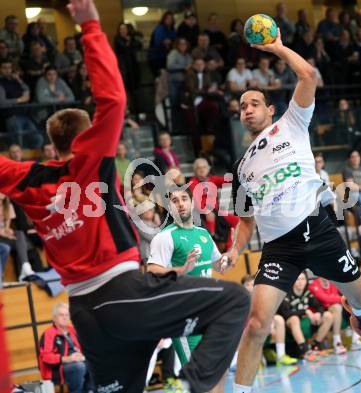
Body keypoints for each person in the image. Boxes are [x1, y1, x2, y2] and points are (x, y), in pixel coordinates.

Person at [0, 2, 249, 392]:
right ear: (85, 141)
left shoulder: (26, 179)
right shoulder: (89, 162)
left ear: (52, 144)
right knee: (234, 301)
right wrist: (91, 28)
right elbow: (113, 100)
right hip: (122, 290)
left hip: (84, 311)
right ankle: (194, 385)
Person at [224, 28, 361, 393]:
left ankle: (358, 312)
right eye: (242, 106)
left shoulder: (292, 123)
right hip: (280, 249)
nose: (246, 110)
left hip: (318, 232)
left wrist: (276, 48)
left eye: (253, 103)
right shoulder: (241, 168)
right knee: (258, 323)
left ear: (270, 109)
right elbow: (245, 222)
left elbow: (307, 75)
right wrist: (234, 250)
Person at [147, 188, 227, 393]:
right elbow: (152, 270)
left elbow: (219, 264)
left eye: (184, 199)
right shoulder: (165, 237)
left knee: (216, 373)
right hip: (185, 317)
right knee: (197, 378)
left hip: (209, 314)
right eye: (174, 201)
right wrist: (181, 270)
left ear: (192, 203)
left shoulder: (203, 234)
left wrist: (234, 251)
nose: (180, 203)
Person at [242, 275, 297, 366]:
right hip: (247, 330)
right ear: (243, 287)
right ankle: (255, 358)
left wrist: (270, 324)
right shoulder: (242, 300)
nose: (250, 287)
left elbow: (268, 313)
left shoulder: (261, 298)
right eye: (247, 284)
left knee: (278, 319)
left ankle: (281, 356)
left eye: (252, 284)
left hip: (263, 327)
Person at [278, 272, 334, 359]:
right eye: (298, 279)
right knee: (294, 318)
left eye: (303, 279)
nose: (300, 282)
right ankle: (304, 350)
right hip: (289, 328)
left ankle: (315, 346)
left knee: (328, 315)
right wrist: (305, 312)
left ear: (306, 280)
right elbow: (285, 313)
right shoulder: (287, 294)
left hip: (307, 324)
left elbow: (320, 306)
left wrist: (318, 313)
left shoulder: (307, 293)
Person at [39, 303, 93, 393]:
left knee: (93, 363)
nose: (65, 317)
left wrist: (83, 355)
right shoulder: (49, 333)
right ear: (54, 318)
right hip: (57, 368)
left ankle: (90, 390)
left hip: (78, 362)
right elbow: (46, 357)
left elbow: (84, 347)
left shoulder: (73, 330)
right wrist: (68, 359)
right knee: (79, 367)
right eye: (61, 315)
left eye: (67, 315)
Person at [308, 277, 351, 354]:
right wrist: (343, 299)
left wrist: (338, 299)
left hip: (329, 310)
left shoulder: (332, 282)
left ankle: (338, 342)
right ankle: (315, 345)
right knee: (335, 308)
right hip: (316, 313)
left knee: (337, 307)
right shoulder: (313, 284)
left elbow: (332, 298)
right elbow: (325, 299)